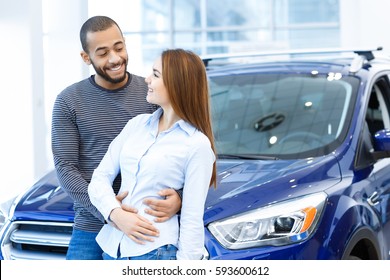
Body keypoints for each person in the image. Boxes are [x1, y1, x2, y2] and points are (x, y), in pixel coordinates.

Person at [51, 15, 182, 260]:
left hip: (147, 224)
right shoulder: (69, 101)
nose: (114, 58)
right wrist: (112, 213)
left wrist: (179, 198)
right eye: (102, 53)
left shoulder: (152, 93)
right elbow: (66, 167)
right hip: (92, 223)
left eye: (119, 47)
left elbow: (181, 151)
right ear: (86, 57)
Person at [88, 48, 217, 260]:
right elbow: (99, 178)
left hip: (155, 253)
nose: (147, 79)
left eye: (155, 75)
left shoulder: (197, 145)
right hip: (113, 249)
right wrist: (115, 214)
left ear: (177, 84)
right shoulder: (136, 125)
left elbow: (192, 219)